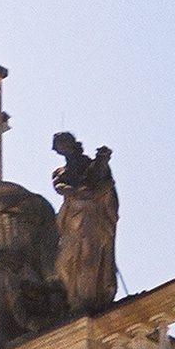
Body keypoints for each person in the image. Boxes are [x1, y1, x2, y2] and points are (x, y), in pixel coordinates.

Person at [52, 132, 118, 314]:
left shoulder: (91, 165)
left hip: (91, 218)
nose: (61, 149)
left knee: (89, 260)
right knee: (62, 263)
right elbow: (59, 187)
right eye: (59, 147)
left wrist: (102, 161)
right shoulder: (60, 172)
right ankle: (74, 298)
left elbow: (106, 185)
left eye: (63, 144)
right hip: (72, 219)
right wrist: (76, 191)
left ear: (72, 144)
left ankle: (84, 303)